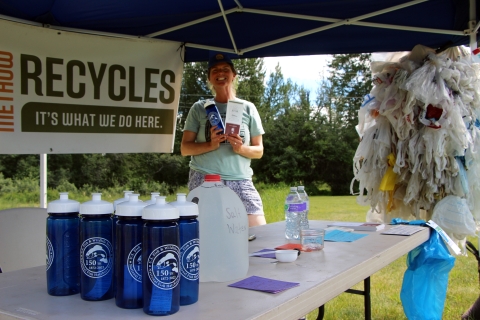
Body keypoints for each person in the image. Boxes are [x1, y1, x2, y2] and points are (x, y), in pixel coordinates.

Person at [180, 53, 267, 227]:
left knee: (259, 233)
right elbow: (185, 149)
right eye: (215, 70)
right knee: (205, 236)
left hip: (240, 179)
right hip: (205, 178)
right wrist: (211, 144)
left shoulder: (248, 108)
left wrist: (240, 148)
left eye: (225, 69)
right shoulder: (199, 108)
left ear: (234, 75)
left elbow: (259, 151)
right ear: (209, 77)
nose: (220, 73)